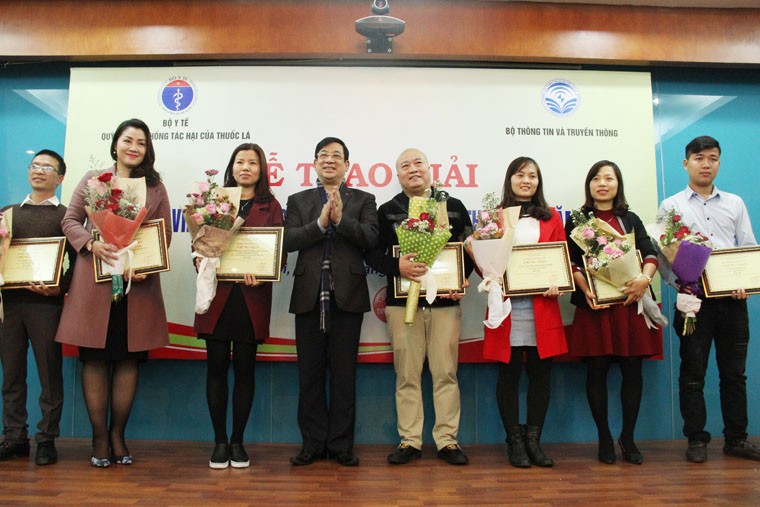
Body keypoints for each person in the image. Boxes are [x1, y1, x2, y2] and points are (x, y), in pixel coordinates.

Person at [56, 118, 172, 468]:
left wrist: (146, 263)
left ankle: (118, 434)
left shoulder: (155, 188)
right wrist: (91, 244)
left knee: (127, 359)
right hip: (95, 284)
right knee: (94, 360)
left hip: (136, 287)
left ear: (148, 150)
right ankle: (98, 437)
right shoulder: (94, 180)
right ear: (116, 144)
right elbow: (70, 221)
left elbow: (164, 233)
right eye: (128, 140)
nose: (134, 147)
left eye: (141, 142)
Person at [366, 148, 473, 466]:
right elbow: (372, 254)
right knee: (407, 375)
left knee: (446, 373)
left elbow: (470, 249)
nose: (413, 169)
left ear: (429, 168)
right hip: (403, 306)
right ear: (398, 175)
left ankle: (447, 441)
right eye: (405, 165)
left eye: (418, 163)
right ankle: (410, 440)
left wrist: (461, 279)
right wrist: (396, 266)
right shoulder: (387, 210)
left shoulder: (453, 206)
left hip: (445, 304)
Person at [659, 135, 759, 463]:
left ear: (719, 162)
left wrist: (745, 282)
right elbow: (664, 257)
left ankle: (736, 439)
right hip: (694, 303)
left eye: (713, 158)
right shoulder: (671, 206)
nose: (706, 164)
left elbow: (747, 246)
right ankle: (696, 439)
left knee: (734, 374)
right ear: (686, 163)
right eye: (699, 158)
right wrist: (681, 285)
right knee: (692, 373)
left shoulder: (735, 203)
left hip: (732, 302)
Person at [283, 137, 378, 467]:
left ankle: (340, 445)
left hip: (347, 296)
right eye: (323, 155)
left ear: (347, 165)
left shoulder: (364, 199)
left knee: (343, 375)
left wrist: (340, 220)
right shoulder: (298, 201)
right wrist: (321, 224)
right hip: (309, 297)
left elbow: (371, 237)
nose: (329, 160)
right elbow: (289, 240)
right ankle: (312, 444)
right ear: (314, 163)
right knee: (309, 375)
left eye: (336, 156)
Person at [194, 143, 283, 469]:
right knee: (216, 368)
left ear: (262, 169)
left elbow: (280, 251)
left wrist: (264, 273)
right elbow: (199, 244)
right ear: (231, 167)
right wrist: (200, 260)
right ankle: (219, 441)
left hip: (250, 298)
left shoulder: (271, 205)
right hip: (217, 296)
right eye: (240, 161)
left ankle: (238, 442)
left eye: (253, 162)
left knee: (245, 370)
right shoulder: (214, 201)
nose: (246, 167)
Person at [565, 160, 660, 465]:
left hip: (630, 304)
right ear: (589, 185)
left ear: (618, 185)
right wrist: (585, 288)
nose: (602, 183)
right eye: (596, 178)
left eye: (609, 178)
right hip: (596, 306)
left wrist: (644, 280)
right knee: (597, 370)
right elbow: (571, 261)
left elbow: (649, 252)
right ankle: (604, 437)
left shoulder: (629, 219)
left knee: (633, 371)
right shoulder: (578, 221)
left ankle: (628, 438)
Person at [481, 157, 567, 468]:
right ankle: (514, 442)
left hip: (542, 307)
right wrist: (490, 276)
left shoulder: (552, 216)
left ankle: (534, 441)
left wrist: (558, 281)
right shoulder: (495, 217)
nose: (526, 180)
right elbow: (483, 262)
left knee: (541, 375)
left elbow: (560, 257)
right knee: (509, 374)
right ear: (510, 180)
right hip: (506, 308)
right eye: (520, 175)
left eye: (532, 175)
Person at [0, 150, 76, 465]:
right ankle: (14, 437)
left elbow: (78, 263)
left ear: (60, 178)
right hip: (9, 306)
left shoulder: (66, 216)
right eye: (35, 165)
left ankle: (46, 439)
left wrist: (60, 287)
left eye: (47, 167)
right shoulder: (6, 214)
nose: (39, 171)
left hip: (46, 306)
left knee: (49, 375)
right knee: (12, 376)